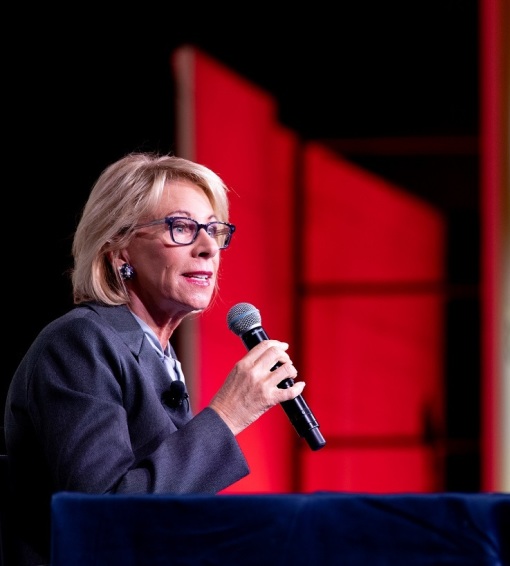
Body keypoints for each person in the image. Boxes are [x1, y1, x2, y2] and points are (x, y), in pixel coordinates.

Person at [3, 152, 306, 566]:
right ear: (119, 248)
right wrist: (228, 414)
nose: (207, 249)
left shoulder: (158, 354)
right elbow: (104, 518)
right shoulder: (79, 343)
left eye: (214, 231)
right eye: (181, 228)